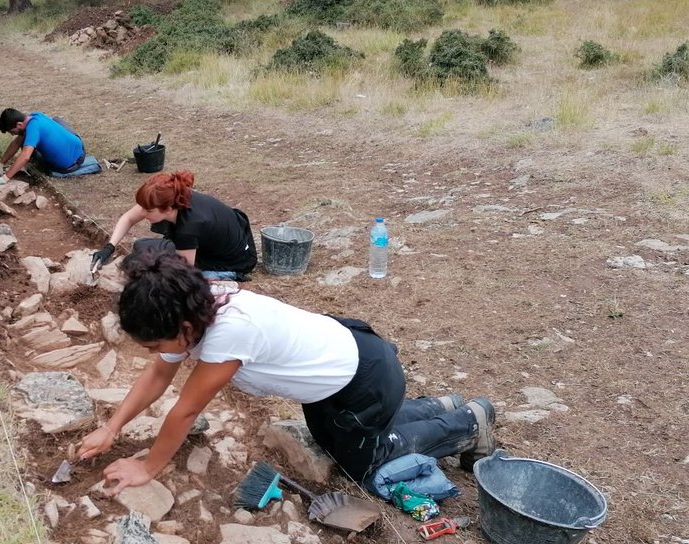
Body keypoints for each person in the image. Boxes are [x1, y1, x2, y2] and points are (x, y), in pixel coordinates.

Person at [77, 250, 496, 495]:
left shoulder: (228, 332)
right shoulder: (193, 304)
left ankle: (467, 423)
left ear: (182, 330)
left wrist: (148, 467)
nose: (154, 353)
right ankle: (435, 407)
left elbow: (184, 412)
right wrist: (112, 428)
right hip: (341, 376)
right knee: (327, 440)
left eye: (154, 344)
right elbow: (158, 374)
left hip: (364, 382)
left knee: (364, 465)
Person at [90, 171, 257, 281]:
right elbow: (128, 218)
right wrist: (109, 248)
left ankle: (225, 277)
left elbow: (184, 272)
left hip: (231, 261)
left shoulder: (188, 228)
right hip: (222, 241)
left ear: (167, 209)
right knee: (141, 246)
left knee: (144, 267)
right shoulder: (176, 196)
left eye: (148, 211)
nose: (144, 214)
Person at [0, 107, 87, 187]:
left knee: (29, 148)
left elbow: (25, 156)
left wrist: (5, 178)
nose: (12, 134)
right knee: (56, 120)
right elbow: (16, 143)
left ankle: (26, 166)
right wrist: (0, 164)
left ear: (19, 124)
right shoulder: (35, 115)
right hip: (79, 147)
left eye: (12, 132)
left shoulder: (32, 128)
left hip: (69, 166)